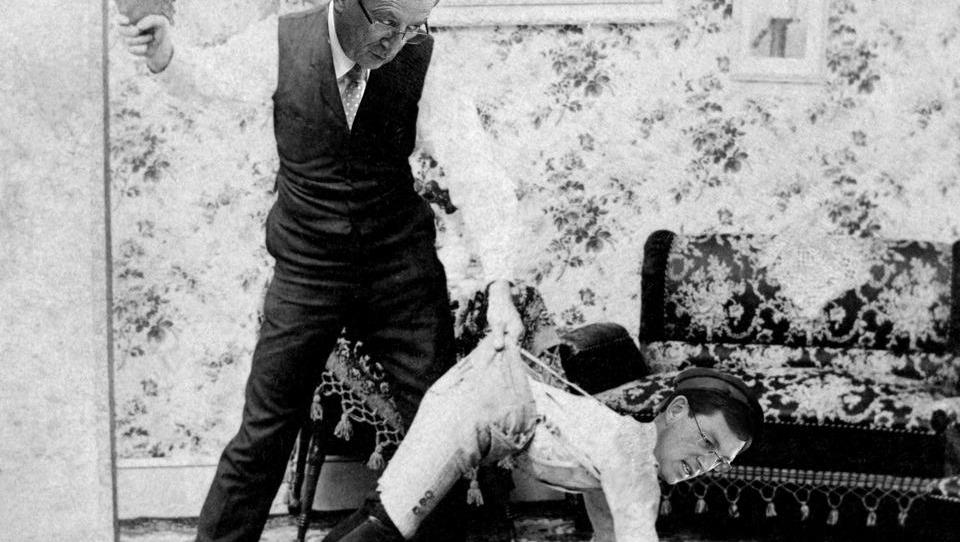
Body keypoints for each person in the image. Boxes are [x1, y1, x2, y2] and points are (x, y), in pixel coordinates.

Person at [117, 1, 523, 541]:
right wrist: (165, 52)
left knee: (437, 435)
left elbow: (478, 173)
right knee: (263, 434)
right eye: (386, 19)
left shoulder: (426, 61)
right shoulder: (282, 42)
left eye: (411, 28)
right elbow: (208, 77)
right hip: (308, 270)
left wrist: (499, 283)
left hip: (400, 272)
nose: (395, 42)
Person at [322, 338, 764, 542]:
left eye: (720, 461)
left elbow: (610, 532)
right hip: (482, 403)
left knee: (387, 516)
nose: (707, 463)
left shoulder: (621, 451)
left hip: (480, 396)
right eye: (708, 442)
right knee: (388, 522)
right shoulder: (635, 464)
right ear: (677, 411)